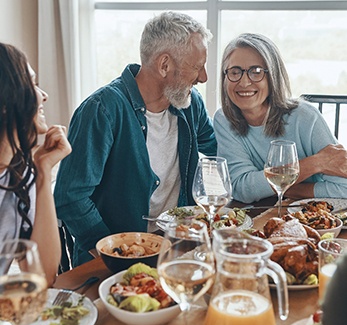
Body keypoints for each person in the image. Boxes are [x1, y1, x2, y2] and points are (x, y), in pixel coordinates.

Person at [54, 11, 217, 267]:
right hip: (115, 258)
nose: (203, 77)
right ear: (165, 65)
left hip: (177, 246)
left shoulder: (189, 104)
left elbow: (217, 149)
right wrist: (117, 253)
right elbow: (70, 197)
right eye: (197, 67)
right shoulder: (102, 110)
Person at [214, 32, 347, 204]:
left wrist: (281, 189)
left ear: (273, 77)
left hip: (312, 219)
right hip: (259, 218)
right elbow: (241, 188)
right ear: (225, 77)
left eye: (256, 72)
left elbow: (344, 188)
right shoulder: (224, 120)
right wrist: (316, 163)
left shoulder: (306, 118)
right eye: (235, 72)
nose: (244, 82)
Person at [0, 42, 72, 285]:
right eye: (31, 84)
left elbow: (43, 275)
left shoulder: (20, 173)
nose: (44, 95)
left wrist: (42, 170)